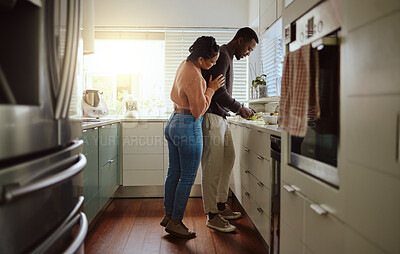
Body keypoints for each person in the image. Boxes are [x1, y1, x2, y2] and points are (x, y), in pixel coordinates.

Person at [160, 36, 225, 239]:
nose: (213, 65)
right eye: (212, 61)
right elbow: (198, 111)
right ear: (200, 60)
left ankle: (168, 215)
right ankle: (176, 222)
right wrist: (211, 90)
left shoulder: (184, 65)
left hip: (173, 122)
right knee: (187, 177)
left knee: (174, 172)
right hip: (188, 125)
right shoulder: (196, 76)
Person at [200, 27, 259, 232]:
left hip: (221, 118)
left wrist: (236, 109)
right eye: (249, 48)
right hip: (212, 117)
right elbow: (218, 93)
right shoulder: (223, 56)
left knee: (228, 159)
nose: (248, 53)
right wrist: (240, 108)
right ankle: (212, 215)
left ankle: (220, 205)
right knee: (213, 166)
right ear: (240, 40)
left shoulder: (227, 56)